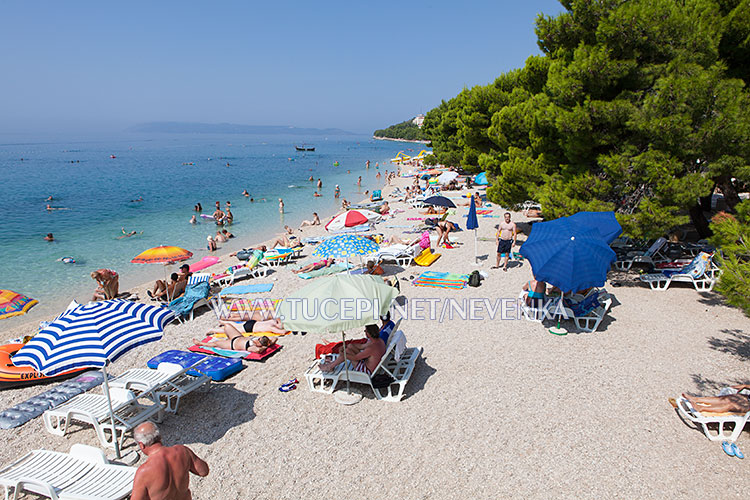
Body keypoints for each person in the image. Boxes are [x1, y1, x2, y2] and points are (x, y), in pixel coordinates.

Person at [131, 421, 209, 500]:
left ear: (141, 445)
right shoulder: (182, 451)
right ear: (159, 437)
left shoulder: (144, 471)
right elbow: (204, 471)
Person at [319, 324, 385, 375]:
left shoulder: (372, 348)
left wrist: (343, 354)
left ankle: (329, 367)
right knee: (349, 347)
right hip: (372, 365)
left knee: (346, 353)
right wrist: (346, 346)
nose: (365, 332)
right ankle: (331, 365)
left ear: (368, 333)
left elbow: (355, 358)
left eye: (365, 331)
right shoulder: (378, 341)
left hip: (367, 371)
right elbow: (361, 346)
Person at [678, 386, 750, 413]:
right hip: (747, 398)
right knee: (726, 398)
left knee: (730, 405)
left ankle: (701, 408)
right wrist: (745, 386)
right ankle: (696, 399)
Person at [203, 317, 287, 339]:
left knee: (236, 325)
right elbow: (282, 332)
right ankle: (213, 330)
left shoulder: (273, 321)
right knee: (233, 330)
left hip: (252, 322)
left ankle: (223, 322)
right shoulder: (271, 327)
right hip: (249, 328)